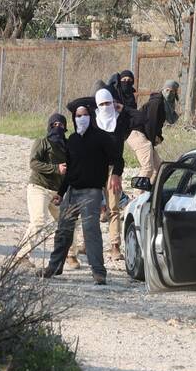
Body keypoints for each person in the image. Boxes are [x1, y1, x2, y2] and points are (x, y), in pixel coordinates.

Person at [37, 100, 123, 285]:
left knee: (91, 231)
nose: (81, 118)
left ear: (90, 117)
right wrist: (61, 192)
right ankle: (54, 266)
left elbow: (118, 159)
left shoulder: (101, 138)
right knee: (63, 230)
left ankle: (99, 272)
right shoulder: (73, 141)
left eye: (84, 115)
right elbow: (69, 171)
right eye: (77, 116)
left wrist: (115, 174)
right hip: (72, 192)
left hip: (91, 193)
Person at [16, 113, 72, 268]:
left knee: (66, 223)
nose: (58, 128)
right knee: (39, 220)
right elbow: (34, 163)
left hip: (56, 192)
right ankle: (21, 256)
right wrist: (55, 168)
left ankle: (70, 255)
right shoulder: (42, 142)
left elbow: (68, 173)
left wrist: (61, 193)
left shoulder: (67, 147)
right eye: (55, 125)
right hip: (38, 188)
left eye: (61, 125)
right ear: (49, 126)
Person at [93, 88, 129, 261]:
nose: (106, 107)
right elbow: (73, 107)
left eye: (109, 103)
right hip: (93, 168)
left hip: (112, 170)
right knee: (90, 208)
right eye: (102, 104)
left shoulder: (119, 122)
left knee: (113, 208)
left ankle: (115, 246)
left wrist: (123, 109)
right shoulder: (92, 122)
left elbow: (141, 118)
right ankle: (87, 244)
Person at [128, 80, 177, 184]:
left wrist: (157, 137)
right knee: (148, 168)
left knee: (158, 168)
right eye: (167, 90)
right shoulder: (157, 102)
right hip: (137, 134)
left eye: (172, 91)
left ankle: (149, 195)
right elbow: (150, 123)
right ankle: (136, 197)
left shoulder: (164, 104)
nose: (169, 93)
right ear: (163, 90)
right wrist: (153, 140)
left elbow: (156, 126)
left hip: (145, 136)